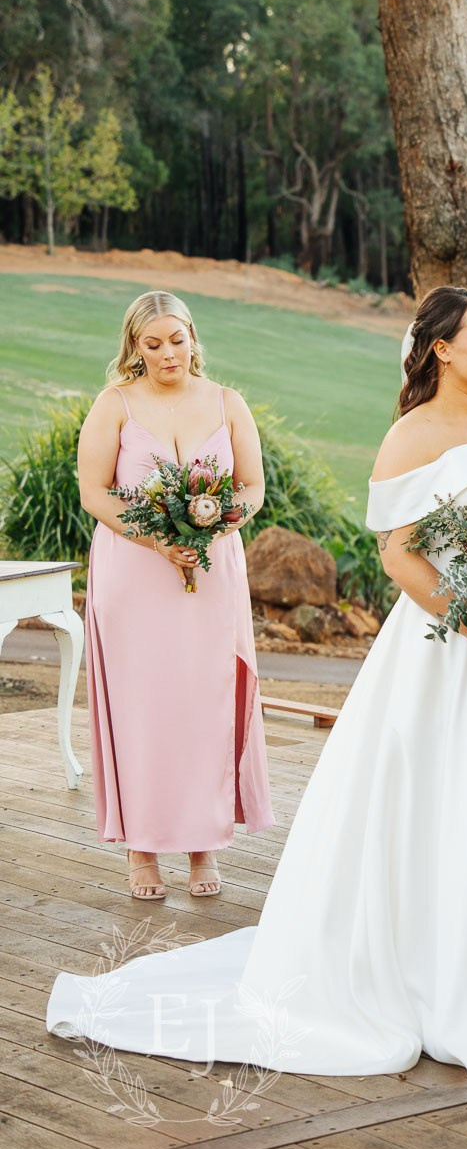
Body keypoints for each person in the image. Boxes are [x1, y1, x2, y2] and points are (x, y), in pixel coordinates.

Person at [48, 285, 467, 1080]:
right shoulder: (411, 436)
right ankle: (451, 966)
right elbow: (399, 556)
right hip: (450, 648)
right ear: (441, 348)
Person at [76, 290, 273, 899]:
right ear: (134, 347)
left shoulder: (228, 403)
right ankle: (141, 848)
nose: (168, 354)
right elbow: (94, 493)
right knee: (143, 706)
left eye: (177, 340)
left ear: (193, 336)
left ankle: (202, 844)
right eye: (153, 344)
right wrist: (158, 541)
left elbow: (253, 487)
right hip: (134, 575)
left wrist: (216, 524)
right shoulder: (114, 405)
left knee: (204, 702)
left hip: (211, 573)